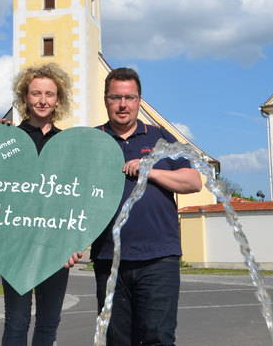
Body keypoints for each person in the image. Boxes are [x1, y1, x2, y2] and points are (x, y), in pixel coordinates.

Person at [91, 67, 202, 346]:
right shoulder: (91, 141)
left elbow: (193, 182)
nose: (123, 104)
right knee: (116, 341)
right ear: (106, 99)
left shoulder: (161, 138)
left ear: (139, 100)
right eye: (116, 97)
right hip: (109, 260)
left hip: (159, 259)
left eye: (129, 97)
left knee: (158, 339)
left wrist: (149, 170)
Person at [1, 63, 82, 346]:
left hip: (55, 247)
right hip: (15, 247)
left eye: (49, 94)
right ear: (25, 97)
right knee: (16, 323)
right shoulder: (9, 139)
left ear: (58, 99)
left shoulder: (68, 144)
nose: (43, 100)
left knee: (48, 325)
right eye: (36, 93)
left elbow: (77, 199)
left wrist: (76, 242)